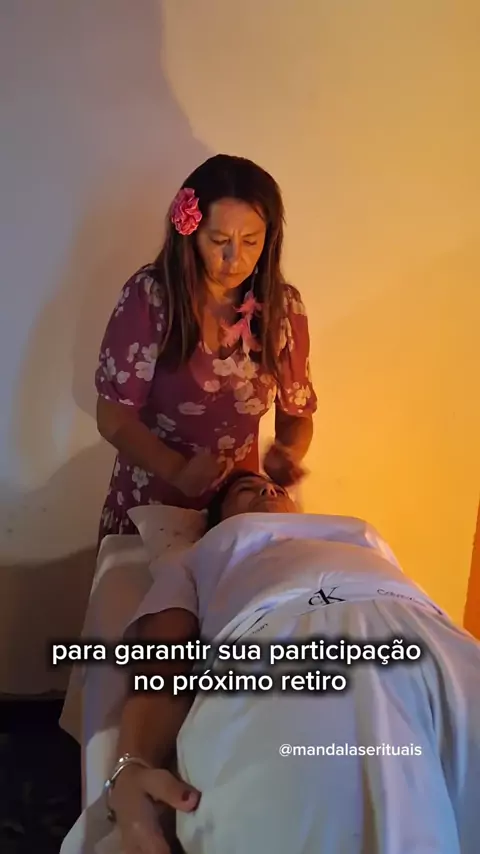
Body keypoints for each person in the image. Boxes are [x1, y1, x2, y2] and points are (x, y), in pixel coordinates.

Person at [103, 470, 480, 854]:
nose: (268, 488)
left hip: (427, 627)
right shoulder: (197, 554)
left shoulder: (358, 536)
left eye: (276, 487)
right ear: (218, 520)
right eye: (245, 489)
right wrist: (130, 765)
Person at [95, 154, 317, 540]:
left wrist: (288, 451)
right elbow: (114, 417)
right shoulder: (151, 299)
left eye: (251, 241)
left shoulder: (282, 308)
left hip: (238, 508)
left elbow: (297, 414)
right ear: (191, 233)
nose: (235, 258)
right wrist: (177, 469)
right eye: (219, 241)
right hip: (154, 498)